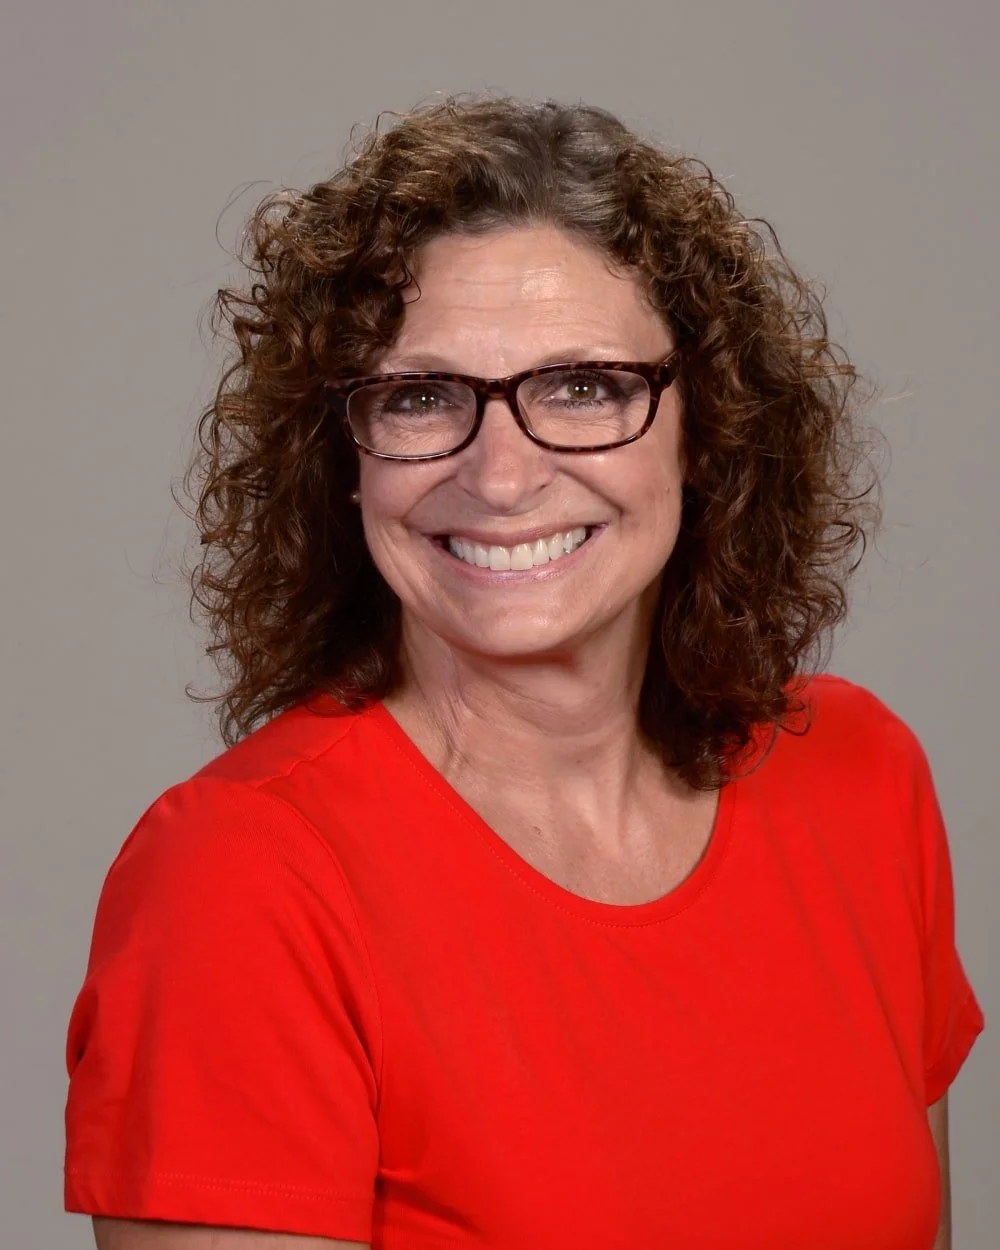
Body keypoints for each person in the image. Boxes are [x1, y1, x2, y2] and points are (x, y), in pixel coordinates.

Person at [63, 95, 984, 1250]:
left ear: (704, 429)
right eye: (420, 396)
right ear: (343, 456)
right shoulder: (238, 881)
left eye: (583, 386)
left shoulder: (858, 776)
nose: (500, 477)